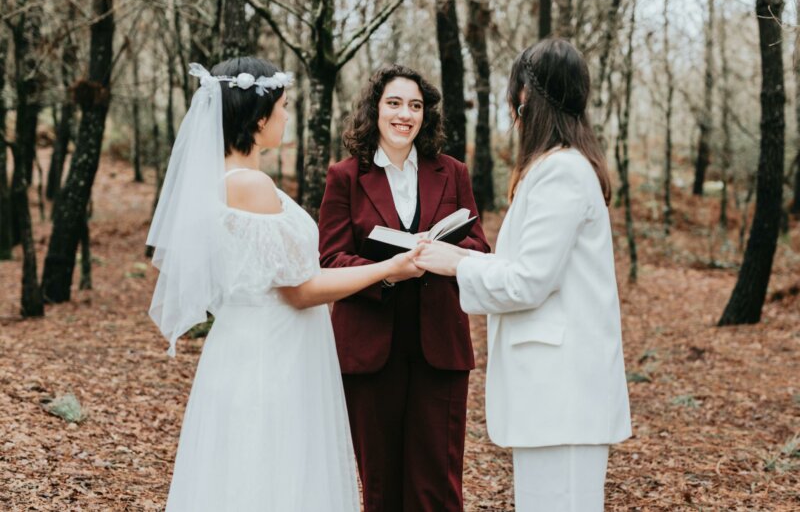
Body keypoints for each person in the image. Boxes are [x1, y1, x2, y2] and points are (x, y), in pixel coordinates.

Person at [146, 57, 422, 512]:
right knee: (272, 475)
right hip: (270, 356)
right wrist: (388, 268)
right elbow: (301, 289)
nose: (288, 115)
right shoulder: (249, 185)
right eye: (284, 106)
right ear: (259, 119)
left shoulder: (223, 180)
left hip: (252, 345)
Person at [413, 39, 632, 512]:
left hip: (564, 394)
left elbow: (529, 281)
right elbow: (527, 268)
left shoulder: (562, 173)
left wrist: (457, 264)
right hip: (553, 396)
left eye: (517, 91)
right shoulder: (554, 167)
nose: (514, 103)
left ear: (529, 96)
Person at [317, 64, 491, 512]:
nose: (404, 115)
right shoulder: (345, 176)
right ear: (374, 109)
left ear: (425, 115)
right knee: (381, 487)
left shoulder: (452, 172)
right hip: (370, 348)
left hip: (441, 346)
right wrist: (390, 270)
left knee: (438, 485)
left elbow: (477, 244)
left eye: (414, 106)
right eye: (394, 103)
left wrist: (441, 252)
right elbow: (332, 260)